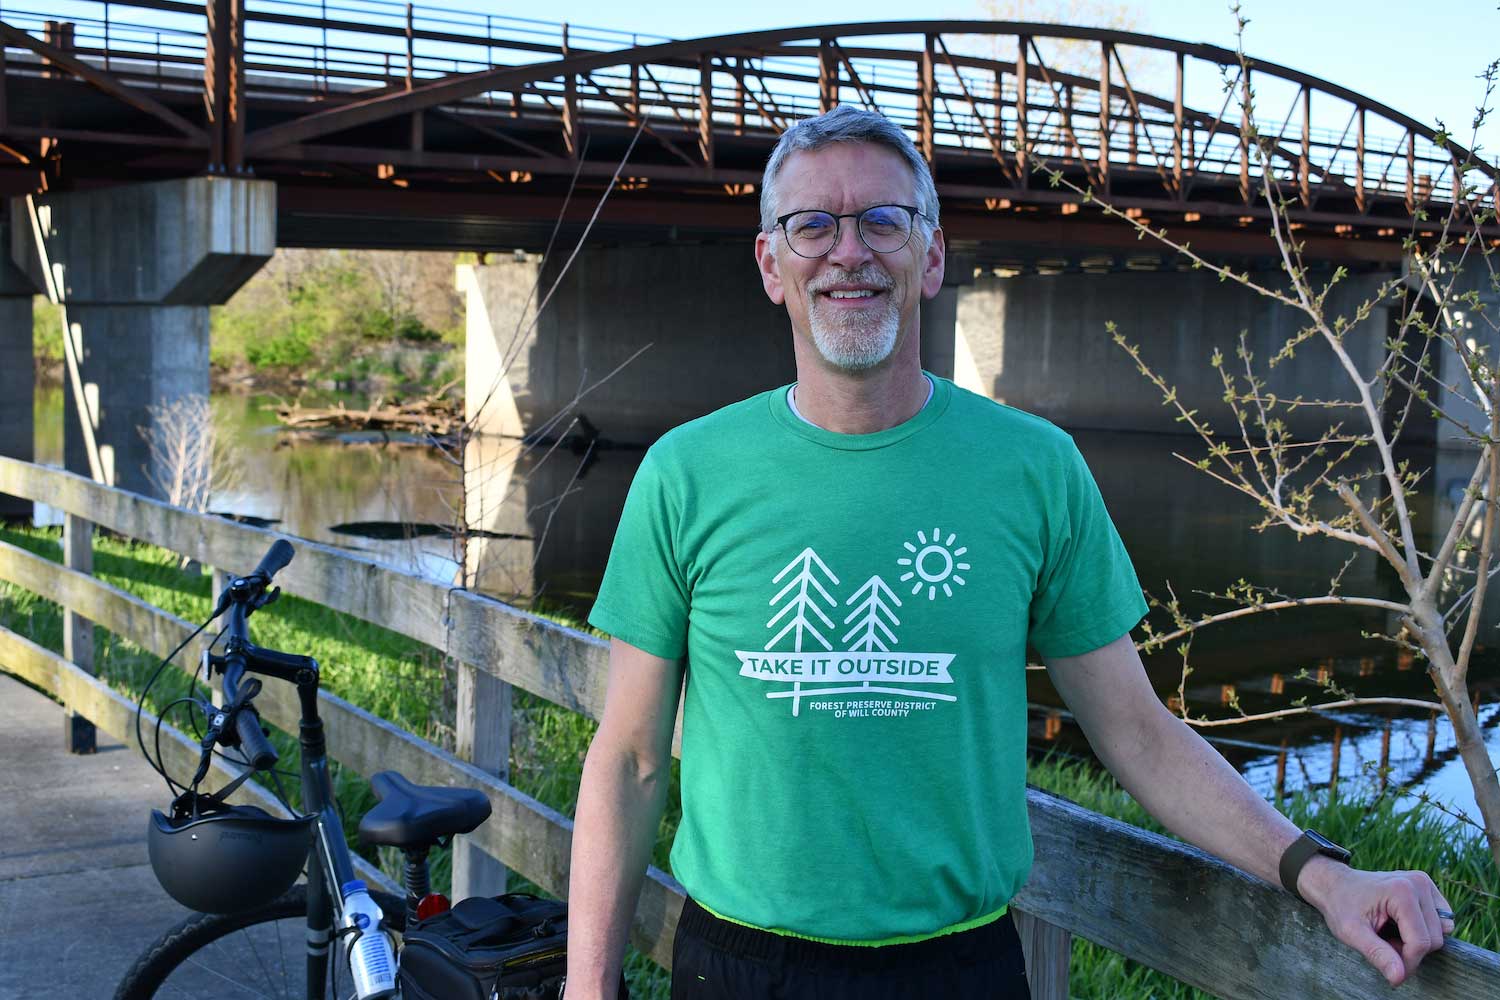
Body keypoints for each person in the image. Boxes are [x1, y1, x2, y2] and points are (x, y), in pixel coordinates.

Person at [564, 105, 1454, 1000]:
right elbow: (633, 757)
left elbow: (1138, 732)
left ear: (934, 256)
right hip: (739, 964)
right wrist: (589, 985)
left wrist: (1319, 871)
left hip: (960, 966)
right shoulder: (686, 473)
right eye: (812, 225)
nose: (849, 252)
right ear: (771, 263)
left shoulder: (1034, 468)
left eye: (884, 220)